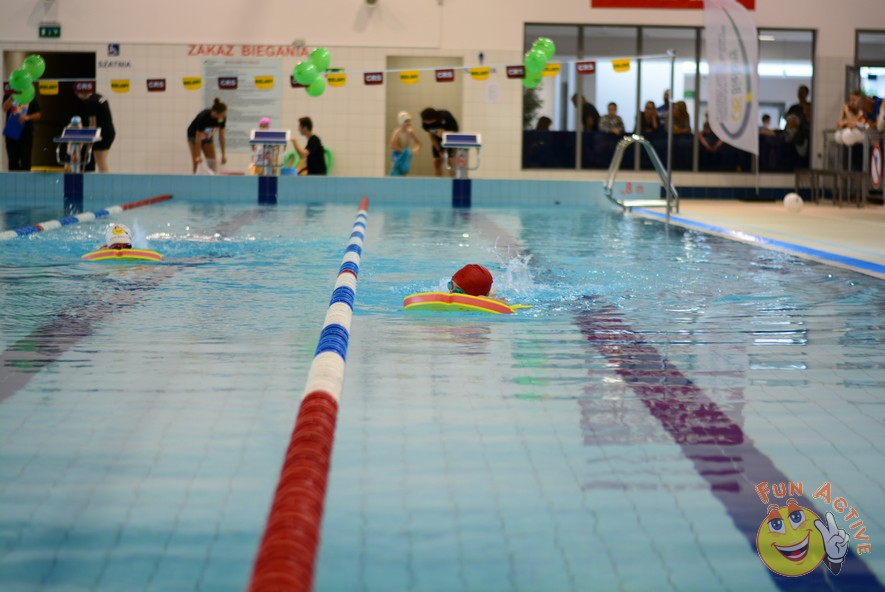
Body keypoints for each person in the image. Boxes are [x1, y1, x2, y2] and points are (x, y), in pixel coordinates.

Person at [75, 87, 115, 173]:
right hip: (109, 132)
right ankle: (104, 179)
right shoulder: (98, 96)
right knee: (102, 160)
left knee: (100, 161)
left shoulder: (91, 102)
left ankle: (105, 180)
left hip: (102, 135)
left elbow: (93, 124)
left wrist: (89, 141)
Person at [2, 90, 41, 171]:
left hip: (26, 134)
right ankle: (13, 178)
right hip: (12, 133)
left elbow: (38, 114)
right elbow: (4, 108)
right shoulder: (9, 94)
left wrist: (28, 117)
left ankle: (25, 178)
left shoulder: (30, 95)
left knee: (25, 160)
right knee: (13, 161)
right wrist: (12, 97)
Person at [187, 98, 227, 174]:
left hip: (207, 136)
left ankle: (212, 179)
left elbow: (221, 137)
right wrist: (198, 156)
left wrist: (223, 154)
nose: (224, 116)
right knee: (197, 163)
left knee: (212, 163)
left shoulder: (222, 119)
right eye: (223, 114)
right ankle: (195, 177)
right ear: (216, 113)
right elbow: (198, 138)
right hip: (193, 136)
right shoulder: (204, 117)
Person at [420, 107, 459, 177]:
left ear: (433, 119)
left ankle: (453, 180)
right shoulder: (426, 124)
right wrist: (439, 151)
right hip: (437, 140)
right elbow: (431, 136)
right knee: (437, 161)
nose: (427, 123)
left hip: (451, 138)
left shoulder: (446, 116)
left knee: (450, 161)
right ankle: (438, 181)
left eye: (429, 121)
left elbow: (454, 132)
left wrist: (446, 151)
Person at [389, 111, 422, 176]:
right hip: (396, 153)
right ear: (401, 122)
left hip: (405, 153)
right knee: (396, 171)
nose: (408, 123)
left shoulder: (410, 131)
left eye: (409, 121)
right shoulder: (397, 132)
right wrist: (402, 151)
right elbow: (392, 145)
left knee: (404, 171)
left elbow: (419, 143)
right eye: (406, 121)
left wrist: (413, 151)